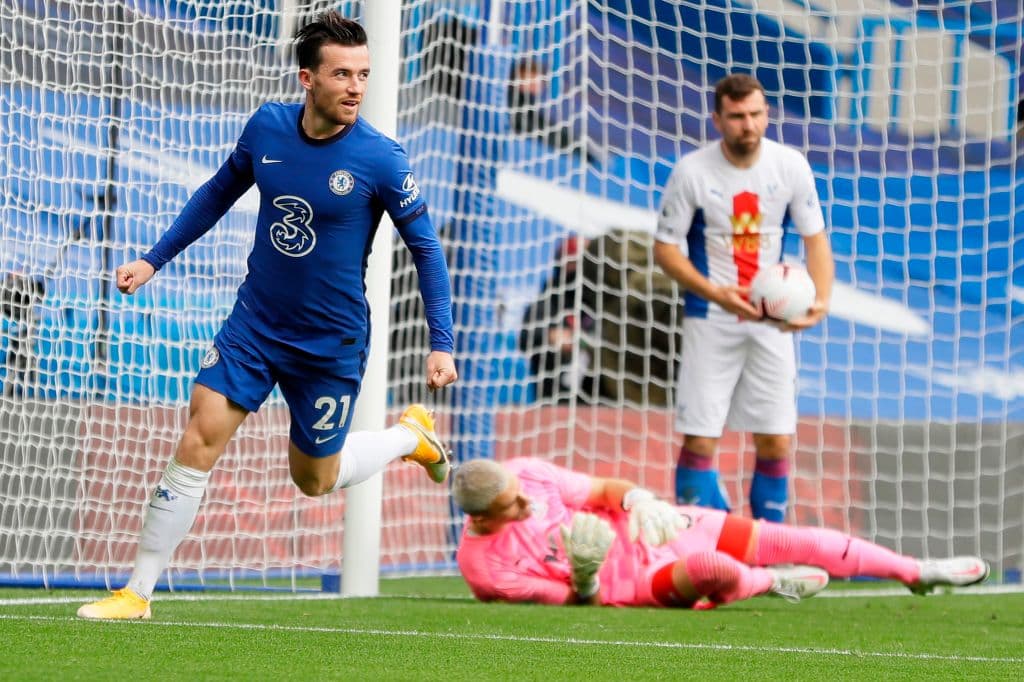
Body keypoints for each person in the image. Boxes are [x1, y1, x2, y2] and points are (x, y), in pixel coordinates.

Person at [78, 12, 458, 620]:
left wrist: (441, 341)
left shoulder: (381, 158)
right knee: (199, 435)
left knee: (314, 480)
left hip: (330, 342)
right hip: (254, 325)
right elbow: (216, 193)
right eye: (342, 74)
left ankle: (409, 437)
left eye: (363, 74)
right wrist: (153, 260)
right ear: (308, 78)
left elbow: (427, 250)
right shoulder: (267, 128)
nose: (356, 87)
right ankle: (136, 594)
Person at [653, 73, 835, 521]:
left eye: (755, 114)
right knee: (700, 438)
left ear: (767, 114)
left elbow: (816, 240)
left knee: (776, 439)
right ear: (717, 120)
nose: (748, 125)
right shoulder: (691, 172)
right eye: (736, 116)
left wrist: (820, 303)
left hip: (773, 322)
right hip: (709, 317)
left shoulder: (790, 166)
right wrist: (715, 292)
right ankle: (705, 537)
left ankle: (768, 543)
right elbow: (665, 248)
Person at [451, 457, 990, 608]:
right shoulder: (485, 571)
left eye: (519, 492)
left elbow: (602, 489)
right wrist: (587, 578)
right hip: (636, 584)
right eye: (512, 505)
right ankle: (770, 583)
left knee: (791, 539)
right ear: (482, 519)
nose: (526, 502)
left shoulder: (528, 474)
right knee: (715, 570)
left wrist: (639, 499)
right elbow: (573, 602)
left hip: (656, 531)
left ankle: (916, 571)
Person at [519, 235, 596, 403]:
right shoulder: (547, 302)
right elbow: (525, 338)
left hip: (598, 405)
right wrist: (551, 336)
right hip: (554, 403)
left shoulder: (599, 303)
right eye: (574, 262)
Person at [507, 58, 599, 165]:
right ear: (525, 74)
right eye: (537, 81)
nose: (540, 86)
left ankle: (583, 152)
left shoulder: (524, 99)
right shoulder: (512, 96)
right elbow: (528, 125)